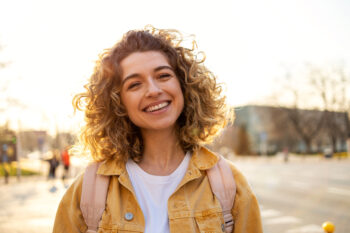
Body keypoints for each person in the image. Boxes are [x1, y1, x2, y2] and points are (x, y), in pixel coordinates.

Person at [53, 26, 262, 233]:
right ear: (118, 103)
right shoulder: (89, 189)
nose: (153, 90)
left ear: (183, 84)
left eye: (163, 76)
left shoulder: (229, 184)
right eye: (134, 84)